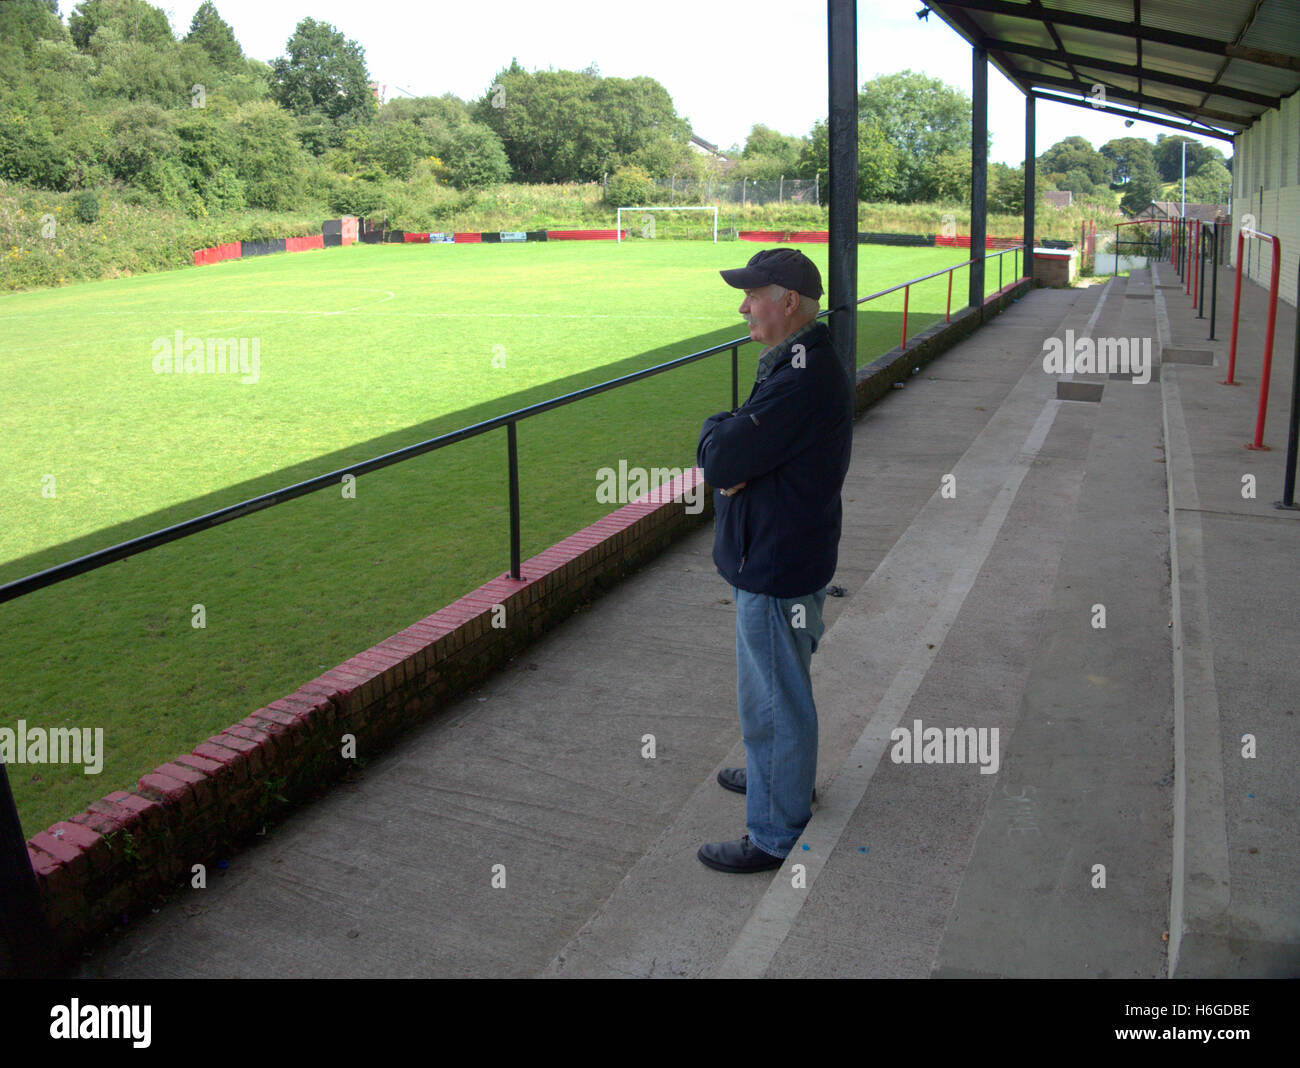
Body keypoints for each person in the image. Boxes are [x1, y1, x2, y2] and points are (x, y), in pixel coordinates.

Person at [695, 248, 853, 873]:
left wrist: (722, 442)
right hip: (792, 553)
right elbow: (735, 445)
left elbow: (722, 457)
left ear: (787, 301)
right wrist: (730, 439)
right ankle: (779, 778)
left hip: (776, 564)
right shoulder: (801, 359)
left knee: (773, 698)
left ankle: (774, 831)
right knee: (781, 688)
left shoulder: (801, 376)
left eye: (752, 295)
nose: (742, 306)